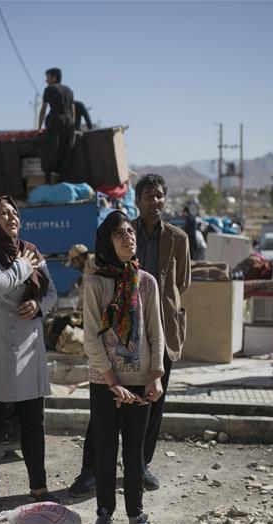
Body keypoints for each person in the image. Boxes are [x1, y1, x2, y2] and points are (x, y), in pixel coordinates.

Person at [69, 173, 190, 496]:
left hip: (159, 330)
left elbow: (181, 284)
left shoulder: (178, 238)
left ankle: (141, 465)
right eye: (149, 196)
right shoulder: (124, 230)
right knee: (105, 409)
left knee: (151, 404)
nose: (156, 201)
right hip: (116, 339)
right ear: (137, 200)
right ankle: (91, 469)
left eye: (160, 196)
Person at [0, 196, 59, 511]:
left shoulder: (29, 250)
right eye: (4, 213)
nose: (11, 217)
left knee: (33, 420)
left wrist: (38, 306)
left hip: (28, 345)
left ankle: (39, 486)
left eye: (14, 212)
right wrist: (22, 266)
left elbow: (52, 293)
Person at [83, 211, 164, 524]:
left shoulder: (146, 283)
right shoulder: (96, 283)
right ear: (106, 241)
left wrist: (155, 375)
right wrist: (113, 382)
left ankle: (136, 515)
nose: (128, 237)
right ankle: (104, 515)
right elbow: (90, 336)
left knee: (135, 453)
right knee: (104, 449)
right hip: (105, 381)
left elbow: (155, 333)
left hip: (141, 379)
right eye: (119, 233)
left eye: (130, 232)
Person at [37, 67, 76, 183]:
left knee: (51, 149)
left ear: (54, 78)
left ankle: (48, 179)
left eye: (47, 77)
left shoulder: (50, 89)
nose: (46, 80)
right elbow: (73, 109)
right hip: (69, 121)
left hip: (56, 120)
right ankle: (64, 179)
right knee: (67, 149)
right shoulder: (69, 90)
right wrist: (72, 123)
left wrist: (39, 128)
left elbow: (43, 109)